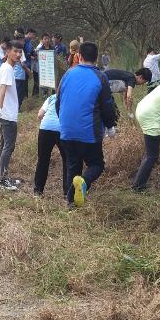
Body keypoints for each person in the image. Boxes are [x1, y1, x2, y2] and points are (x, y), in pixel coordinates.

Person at [56, 41, 118, 207]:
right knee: (96, 164)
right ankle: (83, 181)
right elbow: (107, 106)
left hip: (67, 131)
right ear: (96, 58)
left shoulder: (68, 74)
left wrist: (64, 122)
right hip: (89, 133)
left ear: (80, 56)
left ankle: (71, 203)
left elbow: (58, 101)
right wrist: (110, 126)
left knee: (73, 165)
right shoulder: (101, 77)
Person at [0, 40, 24, 190]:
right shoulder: (8, 69)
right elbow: (2, 89)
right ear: (8, 52)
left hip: (5, 112)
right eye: (15, 51)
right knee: (8, 146)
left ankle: (2, 176)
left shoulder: (5, 67)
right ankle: (2, 180)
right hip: (8, 114)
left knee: (4, 145)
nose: (18, 54)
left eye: (20, 52)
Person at [33, 93, 68, 197]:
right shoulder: (70, 96)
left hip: (45, 128)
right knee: (67, 160)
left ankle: (38, 191)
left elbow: (40, 115)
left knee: (42, 160)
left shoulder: (51, 97)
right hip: (62, 129)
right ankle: (67, 192)